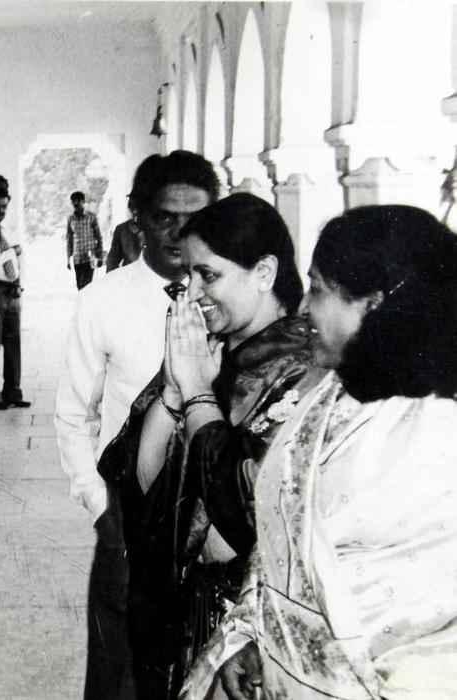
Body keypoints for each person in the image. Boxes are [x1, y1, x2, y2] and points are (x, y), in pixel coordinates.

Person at [183, 205, 457, 700]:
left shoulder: (437, 432)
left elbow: (420, 629)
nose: (305, 308)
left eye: (319, 290)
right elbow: (285, 543)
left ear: (372, 305)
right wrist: (257, 636)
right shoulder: (331, 396)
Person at [96, 193, 313, 699]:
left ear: (264, 272)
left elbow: (247, 517)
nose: (192, 293)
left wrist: (197, 394)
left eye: (208, 275)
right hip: (183, 609)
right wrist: (175, 394)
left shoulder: (301, 371)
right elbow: (138, 480)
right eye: (188, 275)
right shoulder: (204, 352)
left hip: (249, 628)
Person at [53, 150, 220, 700]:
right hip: (128, 512)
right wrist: (99, 507)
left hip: (212, 510)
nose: (179, 233)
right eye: (164, 217)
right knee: (120, 670)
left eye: (194, 218)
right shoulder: (102, 301)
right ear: (137, 217)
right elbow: (74, 414)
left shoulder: (230, 299)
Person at [0, 188, 31, 411]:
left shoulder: (8, 228)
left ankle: (13, 390)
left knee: (13, 342)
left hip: (12, 289)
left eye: (4, 207)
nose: (1, 211)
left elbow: (16, 257)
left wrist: (18, 283)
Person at [66, 190, 104, 289]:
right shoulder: (71, 219)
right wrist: (68, 259)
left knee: (87, 286)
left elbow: (98, 237)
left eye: (78, 201)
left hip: (90, 257)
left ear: (83, 202)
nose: (75, 204)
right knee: (80, 286)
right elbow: (69, 240)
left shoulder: (91, 217)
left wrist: (100, 256)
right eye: (73, 201)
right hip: (77, 258)